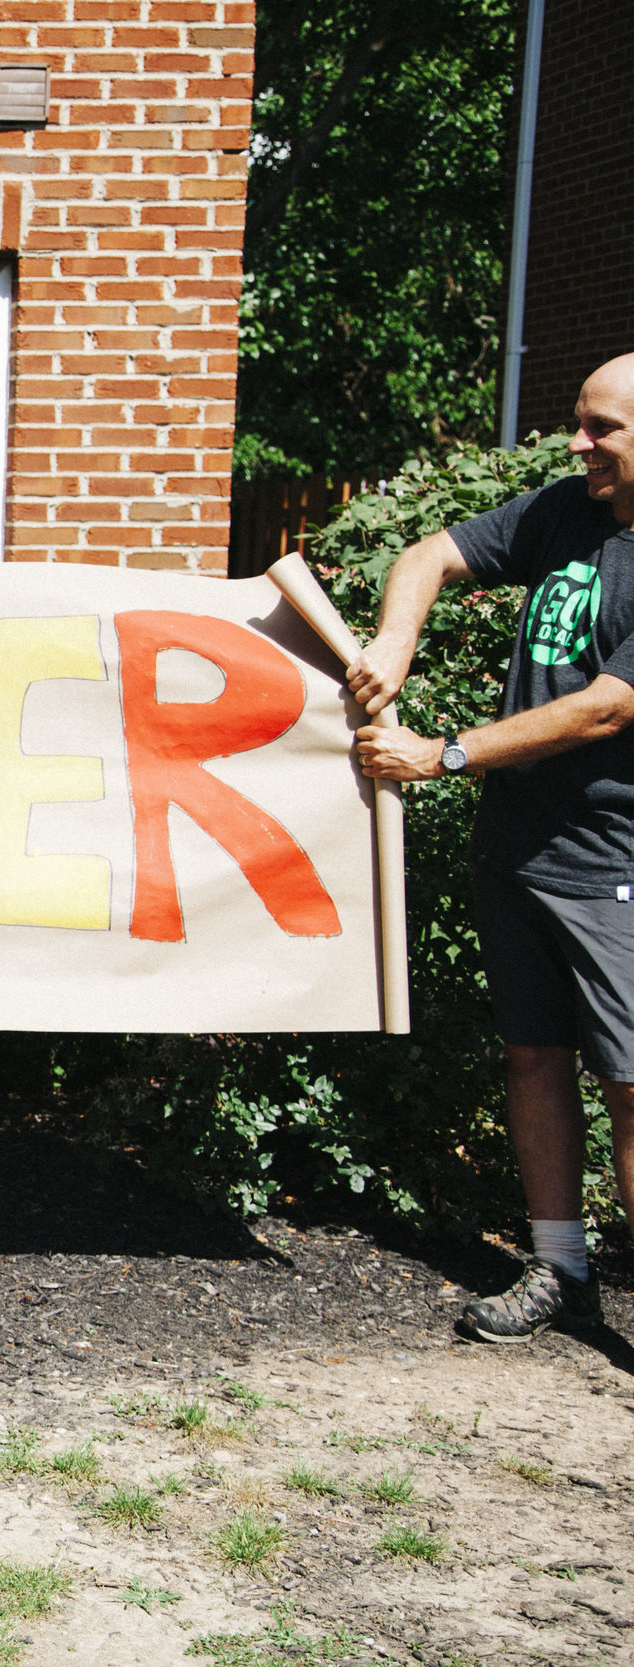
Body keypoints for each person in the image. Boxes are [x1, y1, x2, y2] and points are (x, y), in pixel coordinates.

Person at [351, 352, 634, 1343]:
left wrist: (446, 752)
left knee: (631, 1083)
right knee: (530, 1054)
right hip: (517, 845)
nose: (578, 442)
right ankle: (559, 1266)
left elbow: (606, 709)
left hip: (613, 858)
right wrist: (394, 640)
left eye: (602, 428)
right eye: (577, 420)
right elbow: (426, 554)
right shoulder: (564, 512)